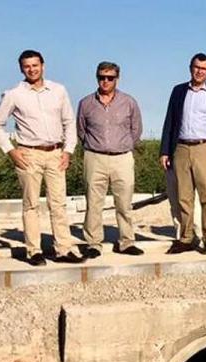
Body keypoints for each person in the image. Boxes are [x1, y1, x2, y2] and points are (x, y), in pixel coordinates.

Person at [0, 49, 85, 266]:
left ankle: (64, 249)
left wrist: (68, 150)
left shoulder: (58, 90)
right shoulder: (14, 94)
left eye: (35, 65)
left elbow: (69, 122)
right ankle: (34, 251)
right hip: (28, 154)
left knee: (58, 204)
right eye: (27, 66)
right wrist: (10, 151)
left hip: (56, 154)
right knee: (31, 204)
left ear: (43, 65)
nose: (32, 69)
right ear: (22, 69)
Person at [159, 53, 206, 255]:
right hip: (180, 149)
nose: (200, 71)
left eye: (204, 69)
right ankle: (186, 238)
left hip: (205, 148)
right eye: (196, 67)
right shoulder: (178, 91)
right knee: (184, 197)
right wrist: (165, 151)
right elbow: (170, 122)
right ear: (190, 68)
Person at [76, 61, 144, 258]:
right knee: (93, 202)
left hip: (122, 158)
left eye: (110, 78)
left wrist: (125, 145)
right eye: (101, 77)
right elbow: (81, 130)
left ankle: (126, 241)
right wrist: (93, 147)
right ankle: (93, 243)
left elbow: (136, 129)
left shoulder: (129, 102)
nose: (105, 81)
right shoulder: (86, 103)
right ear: (96, 78)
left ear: (117, 78)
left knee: (124, 202)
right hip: (94, 157)